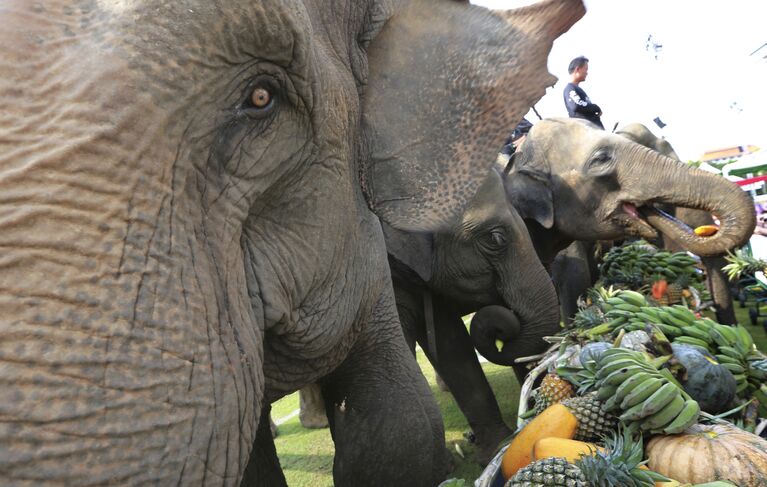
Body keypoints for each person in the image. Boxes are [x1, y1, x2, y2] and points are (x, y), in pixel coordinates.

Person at [563, 56, 604, 129]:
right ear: (578, 69)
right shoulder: (570, 88)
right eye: (586, 69)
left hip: (595, 131)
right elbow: (576, 105)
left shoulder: (578, 89)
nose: (587, 73)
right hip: (585, 133)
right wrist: (595, 107)